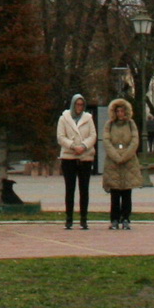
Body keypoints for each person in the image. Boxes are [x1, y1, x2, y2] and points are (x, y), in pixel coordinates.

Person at [56, 94, 97, 230]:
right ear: (73, 105)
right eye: (77, 105)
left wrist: (84, 146)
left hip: (85, 157)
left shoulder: (88, 118)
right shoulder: (64, 118)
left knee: (84, 189)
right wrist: (73, 146)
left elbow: (93, 135)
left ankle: (84, 219)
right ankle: (69, 219)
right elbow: (61, 137)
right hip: (69, 157)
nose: (79, 107)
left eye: (82, 105)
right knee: (70, 189)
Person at [100, 97, 141, 229]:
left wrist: (125, 155)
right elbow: (106, 141)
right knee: (115, 193)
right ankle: (114, 219)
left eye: (122, 111)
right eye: (117, 111)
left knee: (127, 193)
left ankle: (126, 218)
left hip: (128, 162)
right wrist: (116, 156)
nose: (120, 114)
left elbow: (135, 141)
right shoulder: (109, 125)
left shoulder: (131, 124)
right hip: (113, 163)